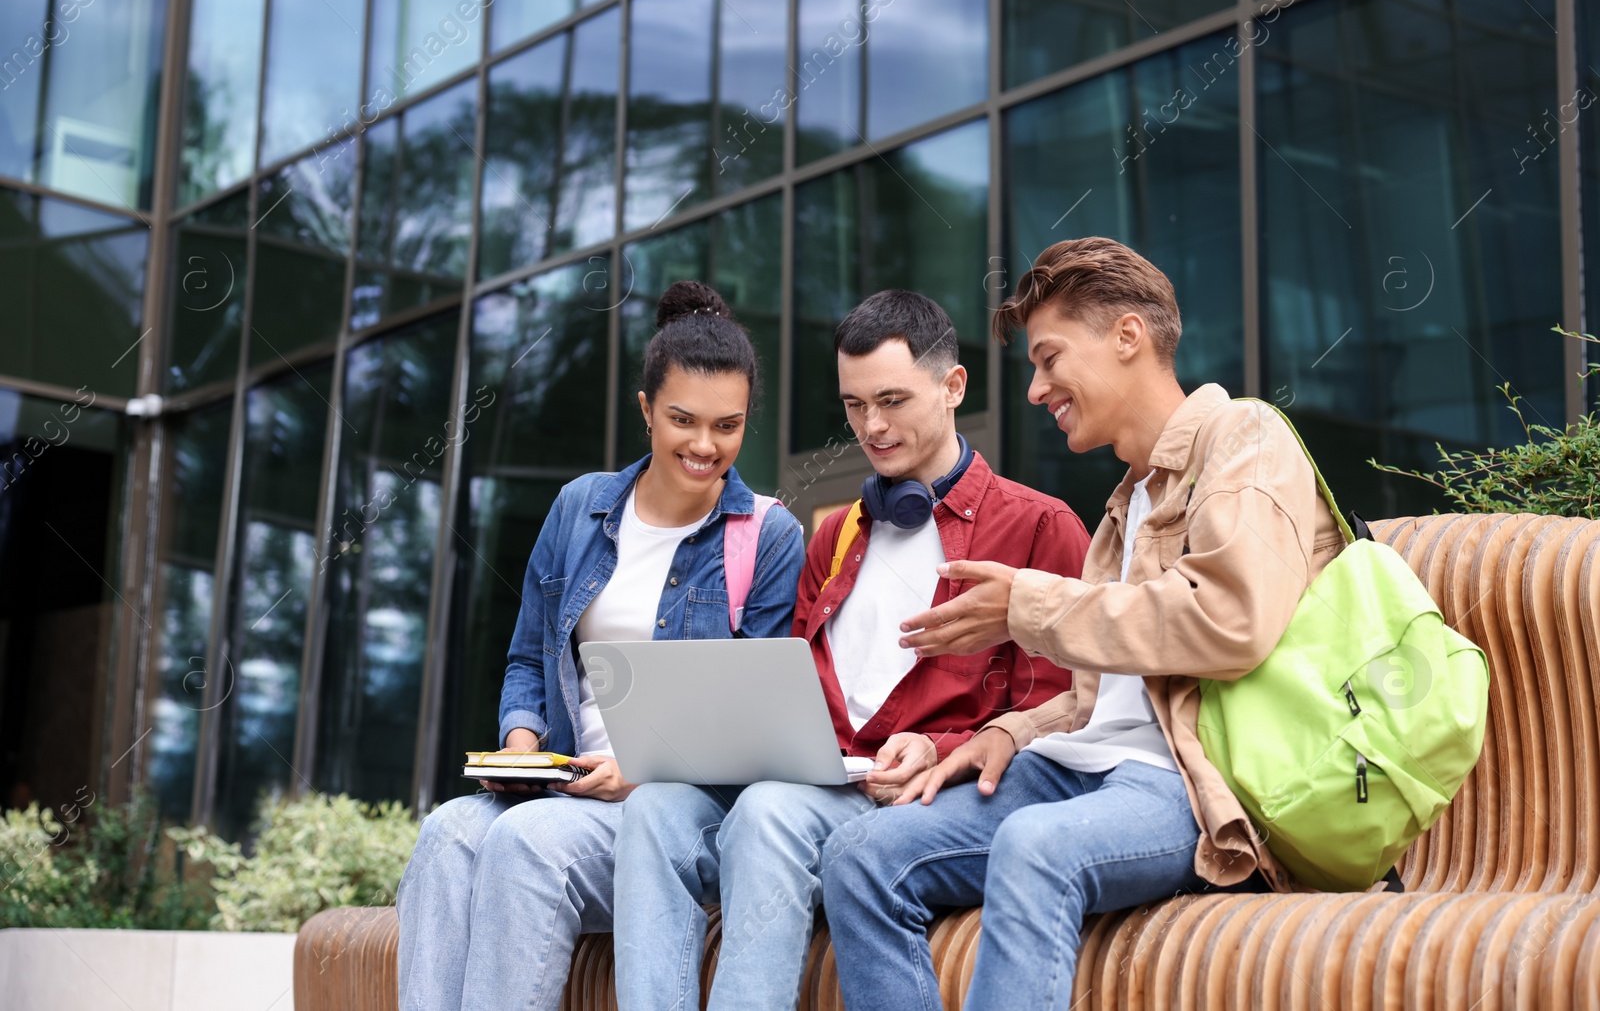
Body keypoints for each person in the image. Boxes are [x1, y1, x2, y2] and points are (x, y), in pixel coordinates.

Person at [818, 238, 1346, 1010]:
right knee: (859, 852)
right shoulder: (1125, 502)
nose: (1035, 389)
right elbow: (1115, 696)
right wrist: (1003, 732)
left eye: (1049, 358)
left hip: (1181, 786)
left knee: (1034, 848)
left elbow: (1231, 622)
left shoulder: (1246, 438)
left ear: (1128, 337)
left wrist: (1027, 607)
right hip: (1074, 766)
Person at [612, 289, 1090, 1011]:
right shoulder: (835, 534)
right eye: (854, 404)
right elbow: (793, 688)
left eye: (892, 399)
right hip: (817, 784)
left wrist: (944, 746)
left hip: (924, 801)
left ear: (954, 385)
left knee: (770, 811)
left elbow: (1069, 705)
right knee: (655, 810)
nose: (872, 425)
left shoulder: (1039, 527)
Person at [396, 282, 805, 1011]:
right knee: (447, 832)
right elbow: (527, 657)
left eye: (728, 425)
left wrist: (641, 770)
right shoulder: (579, 509)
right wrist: (521, 744)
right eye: (683, 420)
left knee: (526, 845)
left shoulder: (768, 537)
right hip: (562, 781)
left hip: (673, 812)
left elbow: (759, 721)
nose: (705, 446)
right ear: (646, 410)